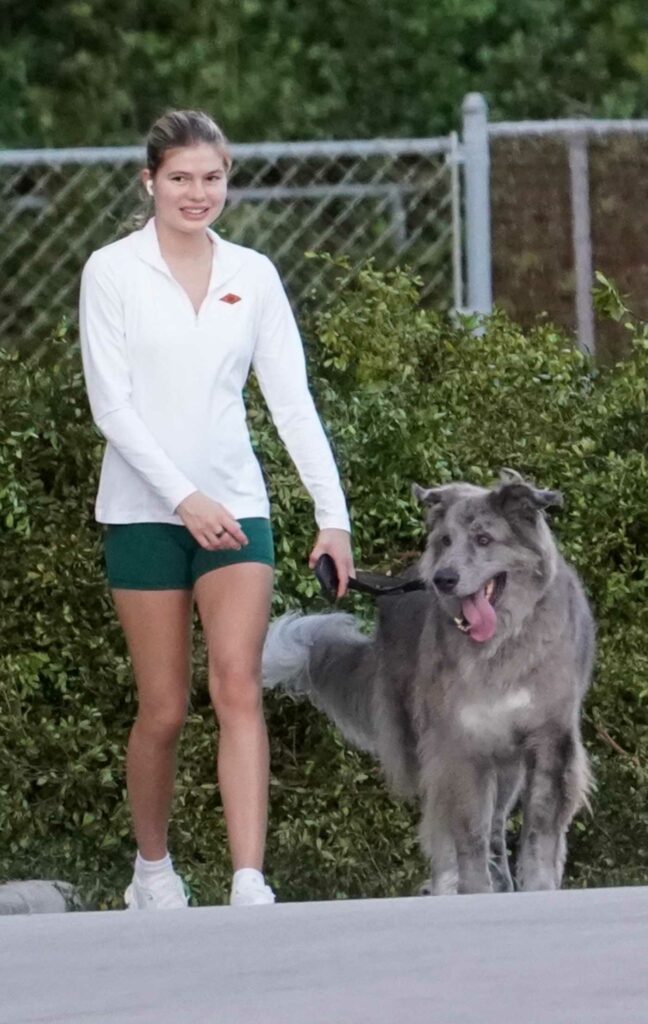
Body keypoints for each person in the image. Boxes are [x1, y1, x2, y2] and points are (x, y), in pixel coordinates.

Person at [79, 110, 354, 910]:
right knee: (163, 708)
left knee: (238, 686)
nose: (198, 193)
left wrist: (329, 514)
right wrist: (182, 499)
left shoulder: (254, 274)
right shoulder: (112, 271)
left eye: (212, 178)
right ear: (150, 182)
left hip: (238, 509)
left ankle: (247, 881)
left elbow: (292, 403)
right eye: (180, 178)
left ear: (226, 179)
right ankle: (153, 874)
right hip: (143, 513)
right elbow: (112, 408)